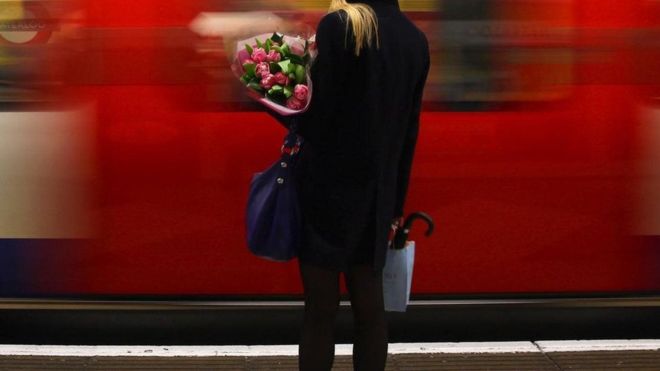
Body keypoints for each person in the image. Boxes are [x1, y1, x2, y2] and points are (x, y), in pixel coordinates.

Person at [270, 0, 429, 369]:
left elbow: (317, 118)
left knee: (321, 311)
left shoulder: (340, 26)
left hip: (327, 189)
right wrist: (394, 206)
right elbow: (409, 135)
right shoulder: (415, 40)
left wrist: (281, 107)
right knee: (370, 310)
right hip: (377, 197)